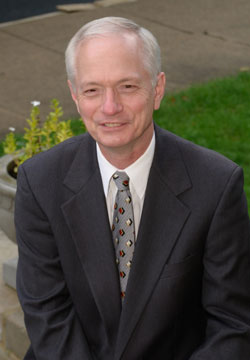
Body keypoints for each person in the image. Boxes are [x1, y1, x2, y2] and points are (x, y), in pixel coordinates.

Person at [15, 16, 250, 360]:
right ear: (75, 96)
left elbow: (233, 325)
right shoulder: (40, 181)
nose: (110, 107)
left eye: (127, 86)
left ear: (157, 88)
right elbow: (48, 314)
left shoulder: (215, 185)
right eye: (93, 89)